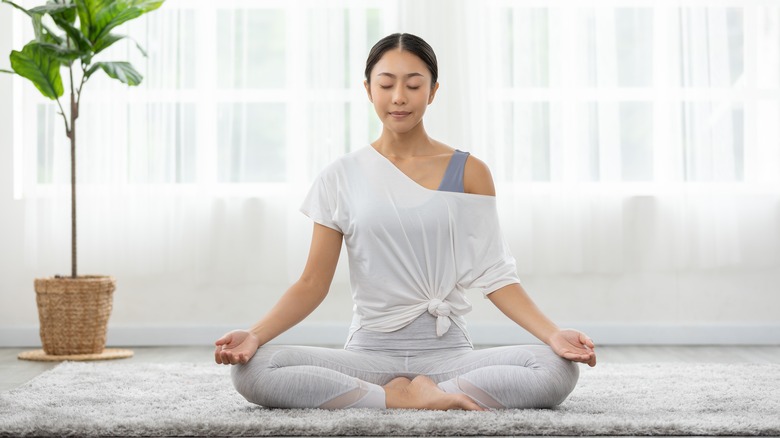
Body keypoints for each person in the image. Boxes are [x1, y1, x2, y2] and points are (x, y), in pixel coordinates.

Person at [214, 32, 596, 411]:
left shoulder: (469, 172)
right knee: (255, 370)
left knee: (554, 368)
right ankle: (400, 396)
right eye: (386, 85)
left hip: (448, 355)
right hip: (369, 355)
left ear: (432, 92)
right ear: (368, 89)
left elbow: (496, 275)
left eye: (413, 85)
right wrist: (255, 335)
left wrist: (553, 334)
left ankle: (397, 395)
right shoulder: (341, 176)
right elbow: (312, 283)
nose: (399, 97)